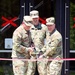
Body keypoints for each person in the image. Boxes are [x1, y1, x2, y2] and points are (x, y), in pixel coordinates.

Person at [27, 10, 48, 75]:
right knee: (29, 73)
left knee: (43, 73)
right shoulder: (28, 28)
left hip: (41, 54)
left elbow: (49, 41)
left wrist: (43, 51)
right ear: (31, 18)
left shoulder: (44, 28)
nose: (35, 19)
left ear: (38, 18)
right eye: (33, 18)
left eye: (36, 18)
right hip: (30, 54)